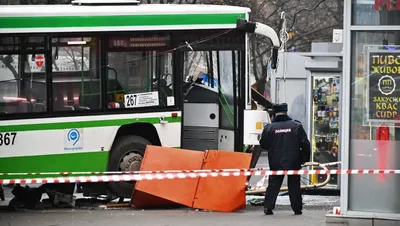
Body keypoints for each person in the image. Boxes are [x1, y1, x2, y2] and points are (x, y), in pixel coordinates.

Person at [259, 103, 311, 215]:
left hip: (276, 160)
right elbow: (305, 144)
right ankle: (297, 209)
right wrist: (304, 158)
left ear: (274, 113)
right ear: (286, 112)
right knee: (294, 184)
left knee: (274, 184)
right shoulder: (296, 126)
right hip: (294, 160)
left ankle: (268, 207)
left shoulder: (269, 128)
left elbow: (263, 144)